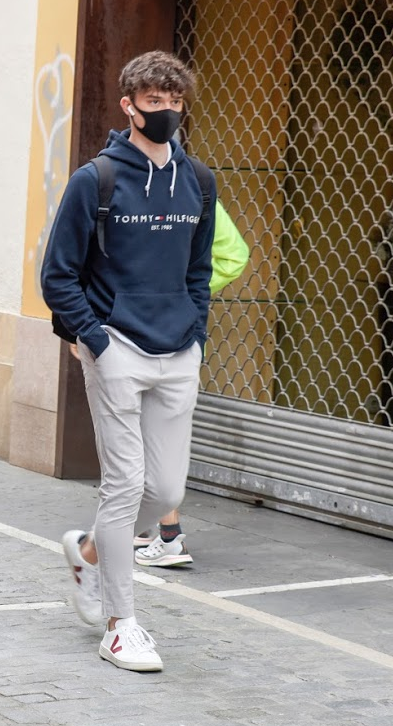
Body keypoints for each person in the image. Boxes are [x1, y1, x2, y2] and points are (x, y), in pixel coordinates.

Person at [41, 50, 215, 673]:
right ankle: (121, 626)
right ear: (129, 105)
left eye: (174, 101)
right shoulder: (97, 180)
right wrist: (96, 339)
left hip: (178, 350)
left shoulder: (199, 181)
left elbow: (199, 269)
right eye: (153, 101)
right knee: (125, 485)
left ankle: (90, 552)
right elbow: (57, 274)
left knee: (166, 488)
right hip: (117, 348)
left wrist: (196, 333)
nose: (165, 111)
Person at [133, 200, 249, 568]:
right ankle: (146, 527)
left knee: (147, 432)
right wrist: (183, 291)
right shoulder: (195, 191)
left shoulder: (129, 191)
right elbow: (233, 257)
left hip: (139, 328)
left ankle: (169, 535)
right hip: (180, 331)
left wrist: (174, 289)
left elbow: (233, 256)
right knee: (157, 431)